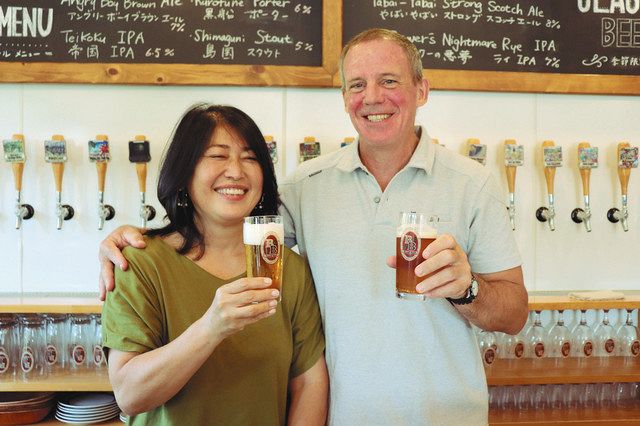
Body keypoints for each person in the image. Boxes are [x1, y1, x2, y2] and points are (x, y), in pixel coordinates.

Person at [99, 29, 528, 424]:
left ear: (422, 89)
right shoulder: (305, 187)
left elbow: (514, 314)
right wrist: (129, 239)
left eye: (389, 81)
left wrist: (467, 289)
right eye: (356, 85)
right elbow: (222, 225)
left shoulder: (473, 184)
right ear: (344, 98)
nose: (372, 97)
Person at [101, 104, 327, 425]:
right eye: (218, 155)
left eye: (250, 158)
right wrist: (211, 328)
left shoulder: (286, 268)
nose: (236, 171)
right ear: (184, 172)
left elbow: (309, 383)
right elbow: (130, 395)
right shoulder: (139, 263)